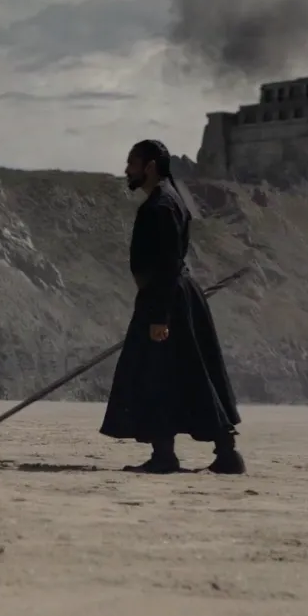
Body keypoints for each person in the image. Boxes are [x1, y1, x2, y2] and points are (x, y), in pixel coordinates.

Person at [100, 138, 245, 474]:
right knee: (180, 373)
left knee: (160, 374)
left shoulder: (161, 205)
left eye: (132, 163)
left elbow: (166, 263)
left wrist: (160, 316)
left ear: (150, 166)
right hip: (171, 296)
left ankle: (170, 455)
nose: (127, 170)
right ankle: (218, 453)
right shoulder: (168, 200)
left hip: (167, 298)